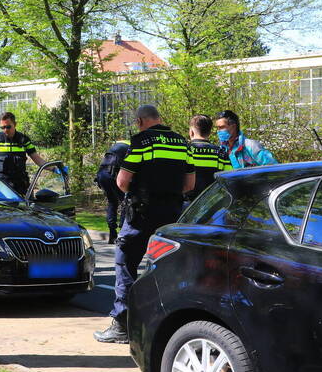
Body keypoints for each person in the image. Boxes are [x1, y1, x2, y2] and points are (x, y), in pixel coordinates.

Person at [95, 105, 194, 344]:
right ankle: (166, 327)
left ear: (140, 121)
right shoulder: (182, 143)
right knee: (167, 269)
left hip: (142, 213)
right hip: (171, 214)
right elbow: (189, 185)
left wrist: (139, 193)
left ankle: (122, 325)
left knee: (126, 262)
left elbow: (122, 181)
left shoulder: (141, 141)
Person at [0, 112, 46, 196]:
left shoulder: (23, 139)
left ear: (15, 124)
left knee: (27, 208)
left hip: (21, 185)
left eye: (8, 127)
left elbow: (37, 158)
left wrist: (54, 168)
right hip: (1, 184)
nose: (5, 130)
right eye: (3, 127)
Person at [187, 114, 230, 202]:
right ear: (209, 132)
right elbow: (228, 180)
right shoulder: (221, 153)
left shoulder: (185, 151)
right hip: (212, 204)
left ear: (191, 132)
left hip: (188, 205)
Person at [94, 138, 130, 244]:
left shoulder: (114, 148)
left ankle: (112, 234)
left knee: (112, 202)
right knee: (126, 202)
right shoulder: (131, 148)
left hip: (102, 175)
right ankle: (123, 233)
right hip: (113, 173)